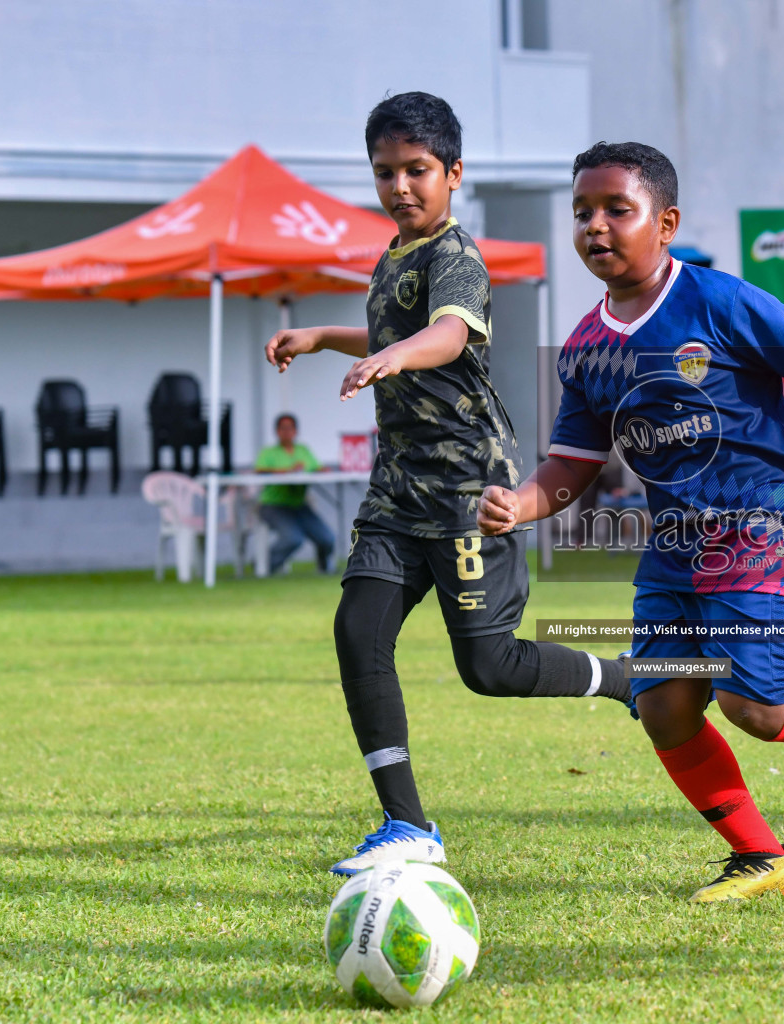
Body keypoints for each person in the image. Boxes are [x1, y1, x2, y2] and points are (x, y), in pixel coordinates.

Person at [477, 141, 784, 903]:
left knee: (754, 707)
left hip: (763, 524)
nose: (594, 227)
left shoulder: (719, 300)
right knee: (663, 704)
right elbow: (571, 463)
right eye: (581, 213)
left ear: (665, 222)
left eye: (616, 210)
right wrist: (520, 503)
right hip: (673, 544)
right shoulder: (585, 348)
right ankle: (763, 857)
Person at [263, 92, 631, 876]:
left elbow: (448, 331)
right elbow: (395, 330)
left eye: (417, 170)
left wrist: (398, 357)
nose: (400, 186)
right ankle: (407, 826)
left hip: (469, 486)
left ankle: (623, 678)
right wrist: (326, 337)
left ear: (453, 173)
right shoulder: (393, 254)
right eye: (385, 171)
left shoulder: (456, 254)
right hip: (398, 490)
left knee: (489, 668)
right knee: (356, 631)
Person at [253, 413, 337, 574]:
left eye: (290, 428)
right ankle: (264, 566)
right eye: (283, 428)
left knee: (327, 538)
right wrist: (285, 471)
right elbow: (260, 471)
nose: (286, 432)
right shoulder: (269, 452)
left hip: (299, 505)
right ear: (277, 431)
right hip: (273, 505)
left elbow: (315, 467)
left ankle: (325, 568)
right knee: (292, 538)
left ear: (295, 431)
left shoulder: (303, 450)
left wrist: (322, 469)